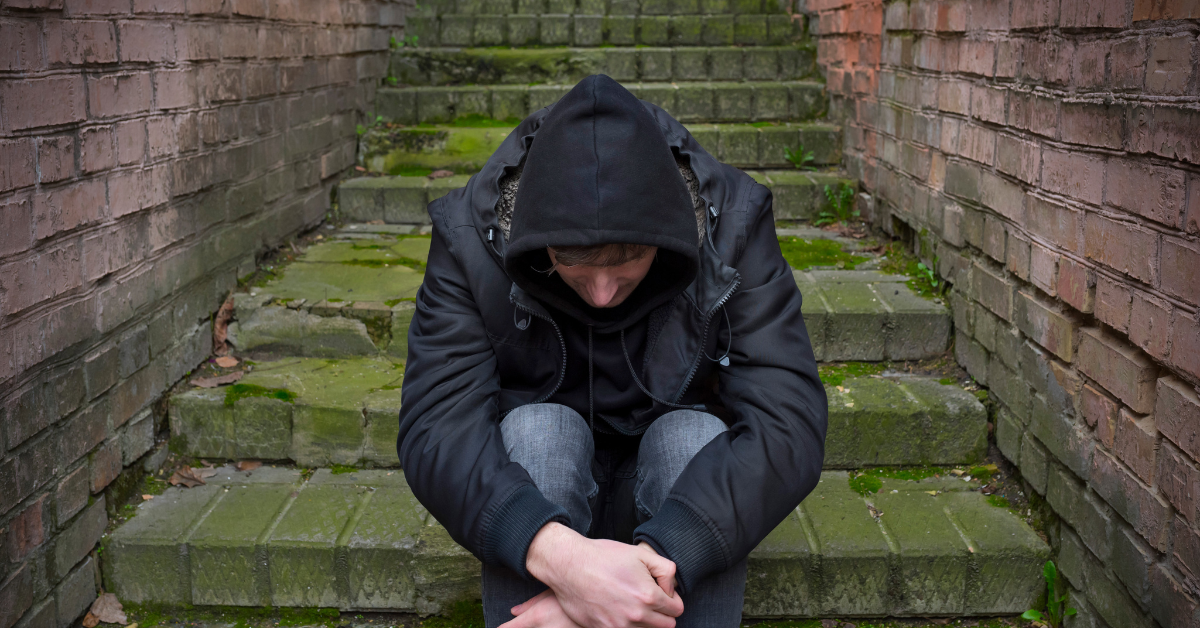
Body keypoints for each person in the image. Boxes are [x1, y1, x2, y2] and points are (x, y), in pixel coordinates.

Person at [397, 75, 828, 628]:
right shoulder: (470, 237)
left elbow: (788, 424)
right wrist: (564, 561)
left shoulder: (733, 224)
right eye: (577, 271)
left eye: (625, 272)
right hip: (541, 490)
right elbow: (438, 427)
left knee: (692, 438)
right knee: (539, 431)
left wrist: (662, 558)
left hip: (678, 495)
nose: (601, 294)